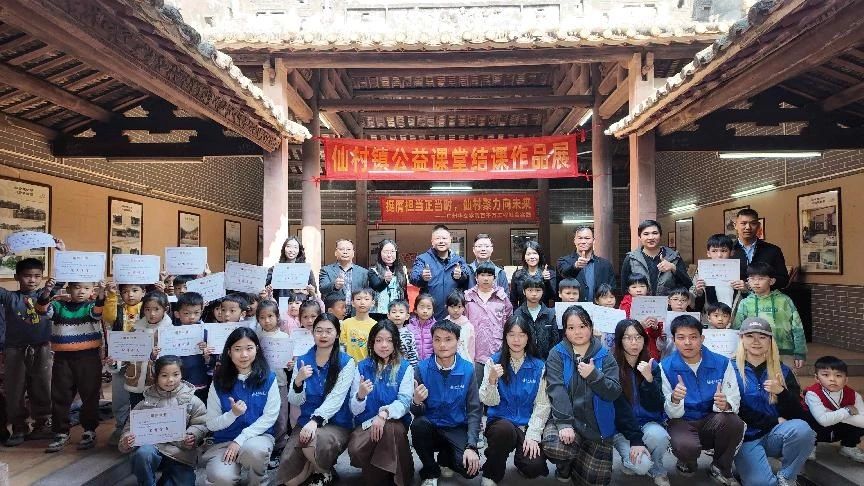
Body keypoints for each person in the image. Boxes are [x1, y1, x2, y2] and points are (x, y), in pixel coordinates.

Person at [660, 314, 745, 485]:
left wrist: (725, 404)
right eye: (681, 337)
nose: (688, 343)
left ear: (702, 338)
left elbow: (734, 397)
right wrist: (674, 399)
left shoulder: (722, 363)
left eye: (693, 337)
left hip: (711, 420)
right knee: (686, 446)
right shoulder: (665, 366)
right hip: (682, 421)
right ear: (674, 340)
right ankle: (687, 459)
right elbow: (669, 413)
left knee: (734, 422)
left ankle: (721, 467)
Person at [542, 305, 621, 485]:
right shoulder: (557, 354)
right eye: (571, 327)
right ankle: (565, 465)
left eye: (582, 326)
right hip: (569, 420)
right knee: (556, 447)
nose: (577, 332)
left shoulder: (605, 355)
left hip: (596, 426)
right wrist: (564, 423)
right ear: (565, 331)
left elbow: (614, 392)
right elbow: (556, 389)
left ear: (591, 327)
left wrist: (594, 376)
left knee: (596, 481)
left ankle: (580, 459)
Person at [732, 317, 815, 486]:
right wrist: (773, 420)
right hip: (745, 438)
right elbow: (735, 411)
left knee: (803, 429)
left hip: (774, 435)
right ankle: (744, 468)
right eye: (750, 336)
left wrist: (781, 393)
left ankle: (787, 476)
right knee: (761, 483)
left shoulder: (783, 371)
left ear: (770, 341)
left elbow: (800, 414)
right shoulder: (729, 368)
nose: (756, 341)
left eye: (762, 337)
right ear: (741, 339)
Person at [0, 239, 65, 447]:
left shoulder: (45, 295)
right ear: (17, 277)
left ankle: (42, 424)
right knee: (14, 389)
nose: (32, 280)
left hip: (43, 348)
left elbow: (64, 276)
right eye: (27, 276)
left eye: (37, 276)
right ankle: (19, 427)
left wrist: (62, 253)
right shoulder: (9, 297)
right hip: (14, 350)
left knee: (42, 387)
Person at [279, 313, 355, 486]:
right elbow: (294, 400)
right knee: (290, 481)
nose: (323, 335)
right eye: (319, 330)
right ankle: (315, 466)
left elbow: (336, 399)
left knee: (313, 444)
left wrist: (315, 421)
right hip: (305, 422)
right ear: (312, 333)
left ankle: (323, 471)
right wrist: (298, 381)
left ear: (337, 334)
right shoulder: (302, 360)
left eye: (329, 331)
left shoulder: (346, 362)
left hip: (336, 423)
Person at [203, 327, 279, 486]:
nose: (244, 355)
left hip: (258, 438)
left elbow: (270, 417)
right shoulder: (218, 381)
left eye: (249, 348)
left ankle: (258, 482)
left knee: (254, 451)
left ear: (257, 349)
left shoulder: (268, 378)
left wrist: (240, 440)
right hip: (224, 441)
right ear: (229, 352)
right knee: (221, 478)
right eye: (237, 349)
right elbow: (211, 424)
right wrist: (232, 414)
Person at [35, 278, 105, 453]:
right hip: (63, 358)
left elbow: (98, 312)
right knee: (60, 395)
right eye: (76, 287)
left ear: (92, 291)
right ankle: (61, 432)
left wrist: (102, 293)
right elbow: (41, 309)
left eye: (86, 288)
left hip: (88, 357)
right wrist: (48, 290)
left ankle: (89, 430)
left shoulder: (91, 306)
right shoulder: (58, 306)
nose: (81, 291)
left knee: (90, 395)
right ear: (68, 289)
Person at [479, 315, 549, 486]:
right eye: (511, 334)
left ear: (528, 337)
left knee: (534, 467)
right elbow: (488, 401)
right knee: (504, 431)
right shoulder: (493, 362)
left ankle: (520, 457)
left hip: (526, 425)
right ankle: (491, 473)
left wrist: (533, 435)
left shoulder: (539, 366)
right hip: (501, 422)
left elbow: (542, 404)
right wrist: (492, 380)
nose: (516, 340)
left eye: (521, 335)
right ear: (505, 336)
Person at [411, 319, 482, 486]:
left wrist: (472, 446)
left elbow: (474, 409)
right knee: (418, 425)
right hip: (432, 426)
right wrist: (416, 402)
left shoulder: (467, 369)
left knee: (470, 470)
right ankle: (430, 471)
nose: (442, 345)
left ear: (458, 341)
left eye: (448, 339)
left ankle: (446, 457)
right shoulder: (422, 369)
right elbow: (417, 412)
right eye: (437, 339)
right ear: (432, 342)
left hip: (456, 427)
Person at [118, 355, 208, 486]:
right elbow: (130, 427)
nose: (170, 380)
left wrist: (192, 435)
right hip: (153, 450)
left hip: (180, 454)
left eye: (175, 374)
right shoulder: (145, 402)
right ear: (156, 377)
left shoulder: (192, 401)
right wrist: (126, 440)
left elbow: (201, 423)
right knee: (143, 454)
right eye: (164, 375)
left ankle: (168, 479)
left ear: (182, 375)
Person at [347, 321, 415, 486]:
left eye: (389, 340)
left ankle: (396, 479)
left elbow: (405, 402)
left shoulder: (405, 367)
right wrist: (360, 396)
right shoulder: (361, 367)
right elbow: (354, 410)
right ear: (372, 342)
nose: (384, 345)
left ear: (395, 342)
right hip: (367, 424)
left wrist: (384, 413)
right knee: (356, 449)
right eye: (379, 340)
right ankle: (398, 471)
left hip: (394, 422)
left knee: (392, 429)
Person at [612, 319, 670, 486]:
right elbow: (618, 409)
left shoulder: (652, 365)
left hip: (647, 423)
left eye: (638, 337)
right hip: (622, 429)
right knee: (641, 466)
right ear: (619, 340)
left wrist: (649, 380)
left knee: (660, 437)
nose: (634, 342)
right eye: (627, 337)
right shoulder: (612, 367)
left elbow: (657, 405)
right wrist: (635, 440)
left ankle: (658, 469)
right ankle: (630, 461)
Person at [108, 291, 174, 412]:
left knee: (155, 413)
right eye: (147, 309)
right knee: (136, 411)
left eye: (156, 309)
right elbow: (126, 356)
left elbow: (173, 362)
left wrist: (154, 356)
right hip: (134, 382)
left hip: (157, 384)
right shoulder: (136, 329)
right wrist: (114, 362)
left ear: (166, 309)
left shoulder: (170, 332)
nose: (152, 314)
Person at [733, 262, 807, 369]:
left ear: (771, 281)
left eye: (761, 278)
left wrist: (800, 352)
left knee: (785, 378)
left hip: (784, 352)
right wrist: (739, 351)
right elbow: (738, 329)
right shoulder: (745, 303)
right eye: (752, 279)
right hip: (754, 352)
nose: (756, 282)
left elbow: (797, 327)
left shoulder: (784, 301)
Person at [104, 280, 146, 445]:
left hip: (142, 362)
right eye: (126, 291)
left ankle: (140, 428)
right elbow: (108, 317)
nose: (130, 295)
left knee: (141, 396)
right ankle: (121, 427)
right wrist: (111, 295)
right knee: (120, 397)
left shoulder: (148, 308)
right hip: (120, 359)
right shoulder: (118, 309)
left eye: (135, 290)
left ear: (143, 292)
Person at [803, 356, 864, 463]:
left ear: (846, 380)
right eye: (826, 375)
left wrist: (832, 414)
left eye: (838, 375)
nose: (832, 379)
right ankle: (809, 446)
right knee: (805, 417)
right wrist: (847, 411)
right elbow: (823, 420)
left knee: (858, 424)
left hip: (838, 429)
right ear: (817, 378)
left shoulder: (854, 395)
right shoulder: (812, 393)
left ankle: (848, 446)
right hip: (818, 431)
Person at [255, 300, 294, 461]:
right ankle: (264, 444)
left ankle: (279, 445)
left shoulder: (285, 337)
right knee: (262, 414)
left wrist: (290, 365)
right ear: (258, 319)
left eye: (270, 316)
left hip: (280, 382)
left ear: (277, 317)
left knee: (281, 415)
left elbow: (289, 365)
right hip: (260, 383)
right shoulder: (256, 337)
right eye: (262, 317)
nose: (267, 320)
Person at [465, 262, 514, 384]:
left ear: (495, 278)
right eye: (482, 275)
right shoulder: (468, 297)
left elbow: (509, 324)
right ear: (476, 277)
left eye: (489, 275)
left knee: (496, 388)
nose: (486, 278)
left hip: (497, 352)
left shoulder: (502, 298)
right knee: (476, 389)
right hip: (474, 353)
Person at [409, 225, 470, 321]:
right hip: (429, 315)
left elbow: (467, 279)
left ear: (450, 240)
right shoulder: (423, 259)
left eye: (444, 238)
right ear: (432, 241)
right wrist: (422, 277)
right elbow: (413, 278)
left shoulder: (458, 260)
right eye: (437, 238)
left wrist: (461, 276)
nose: (441, 241)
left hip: (453, 315)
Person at [621, 220, 692, 297]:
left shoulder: (674, 257)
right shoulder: (631, 258)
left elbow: (688, 285)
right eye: (646, 234)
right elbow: (624, 288)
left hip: (667, 303)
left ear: (660, 235)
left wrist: (673, 267)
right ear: (639, 237)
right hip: (640, 303)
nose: (651, 237)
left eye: (655, 233)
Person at [556, 226, 616, 302]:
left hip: (598, 307)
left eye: (587, 238)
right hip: (572, 308)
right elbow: (564, 274)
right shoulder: (564, 261)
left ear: (593, 240)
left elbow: (611, 289)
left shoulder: (605, 265)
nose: (583, 241)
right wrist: (575, 266)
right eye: (580, 238)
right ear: (574, 241)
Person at [733, 208, 789, 290]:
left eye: (753, 223)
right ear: (735, 225)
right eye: (743, 223)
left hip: (766, 297)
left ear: (759, 226)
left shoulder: (773, 250)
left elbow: (784, 280)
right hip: (736, 297)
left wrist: (753, 285)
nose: (748, 227)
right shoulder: (728, 251)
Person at [172, 292, 211, 403]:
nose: (192, 317)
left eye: (196, 313)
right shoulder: (171, 333)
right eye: (186, 313)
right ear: (177, 314)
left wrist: (206, 351)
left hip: (198, 379)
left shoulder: (206, 332)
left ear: (201, 312)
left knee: (199, 408)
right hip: (177, 382)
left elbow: (211, 360)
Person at [693, 234, 747, 312]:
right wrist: (698, 292)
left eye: (724, 251)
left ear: (732, 252)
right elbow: (693, 301)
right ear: (708, 253)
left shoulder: (739, 270)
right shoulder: (702, 271)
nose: (719, 255)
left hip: (736, 314)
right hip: (712, 315)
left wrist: (745, 289)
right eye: (714, 251)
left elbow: (751, 296)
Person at [319, 239, 369, 317]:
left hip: (356, 313)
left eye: (348, 249)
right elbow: (322, 289)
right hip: (335, 314)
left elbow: (367, 293)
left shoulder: (363, 272)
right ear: (336, 252)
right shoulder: (326, 270)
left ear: (353, 253)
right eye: (341, 249)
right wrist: (334, 285)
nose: (345, 252)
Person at [512, 276, 557, 360]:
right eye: (530, 290)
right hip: (525, 360)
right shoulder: (518, 314)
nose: (534, 294)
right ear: (524, 292)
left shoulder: (550, 314)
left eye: (538, 290)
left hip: (548, 360)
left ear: (543, 292)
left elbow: (555, 339)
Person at [620, 273, 663, 360]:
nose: (638, 290)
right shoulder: (625, 305)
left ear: (647, 288)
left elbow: (657, 334)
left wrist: (655, 327)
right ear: (628, 290)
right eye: (634, 287)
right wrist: (639, 326)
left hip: (649, 345)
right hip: (632, 344)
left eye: (642, 286)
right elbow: (622, 329)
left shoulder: (653, 304)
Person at [510, 240, 557, 308]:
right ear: (524, 257)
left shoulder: (549, 273)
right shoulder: (517, 275)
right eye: (528, 254)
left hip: (543, 313)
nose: (532, 257)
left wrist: (547, 281)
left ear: (539, 255)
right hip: (522, 313)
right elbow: (513, 299)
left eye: (535, 253)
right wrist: (516, 313)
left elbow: (553, 297)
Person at [368, 239, 407, 320]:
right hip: (378, 314)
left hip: (397, 313)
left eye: (392, 251)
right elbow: (377, 287)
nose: (389, 255)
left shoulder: (402, 270)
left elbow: (405, 293)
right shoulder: (373, 271)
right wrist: (386, 281)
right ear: (380, 253)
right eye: (386, 252)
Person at [340, 288, 377, 362]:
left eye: (366, 299)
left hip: (368, 365)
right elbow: (342, 346)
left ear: (373, 303)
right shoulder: (345, 323)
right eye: (358, 299)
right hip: (349, 364)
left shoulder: (375, 325)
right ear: (352, 303)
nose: (362, 302)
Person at [386, 300, 419, 368]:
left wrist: (414, 370)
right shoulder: (384, 333)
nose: (397, 315)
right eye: (394, 312)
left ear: (407, 316)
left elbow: (412, 355)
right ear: (388, 315)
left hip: (403, 369)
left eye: (401, 312)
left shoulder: (409, 335)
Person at [446, 290, 475, 364]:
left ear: (464, 307)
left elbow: (471, 348)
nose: (456, 310)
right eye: (452, 306)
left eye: (459, 307)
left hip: (464, 362)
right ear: (446, 307)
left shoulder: (468, 326)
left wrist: (471, 364)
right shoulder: (444, 325)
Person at [409, 293, 436, 361]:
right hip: (414, 363)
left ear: (433, 311)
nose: (425, 311)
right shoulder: (409, 327)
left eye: (429, 308)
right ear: (415, 310)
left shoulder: (436, 327)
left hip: (431, 363)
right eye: (422, 307)